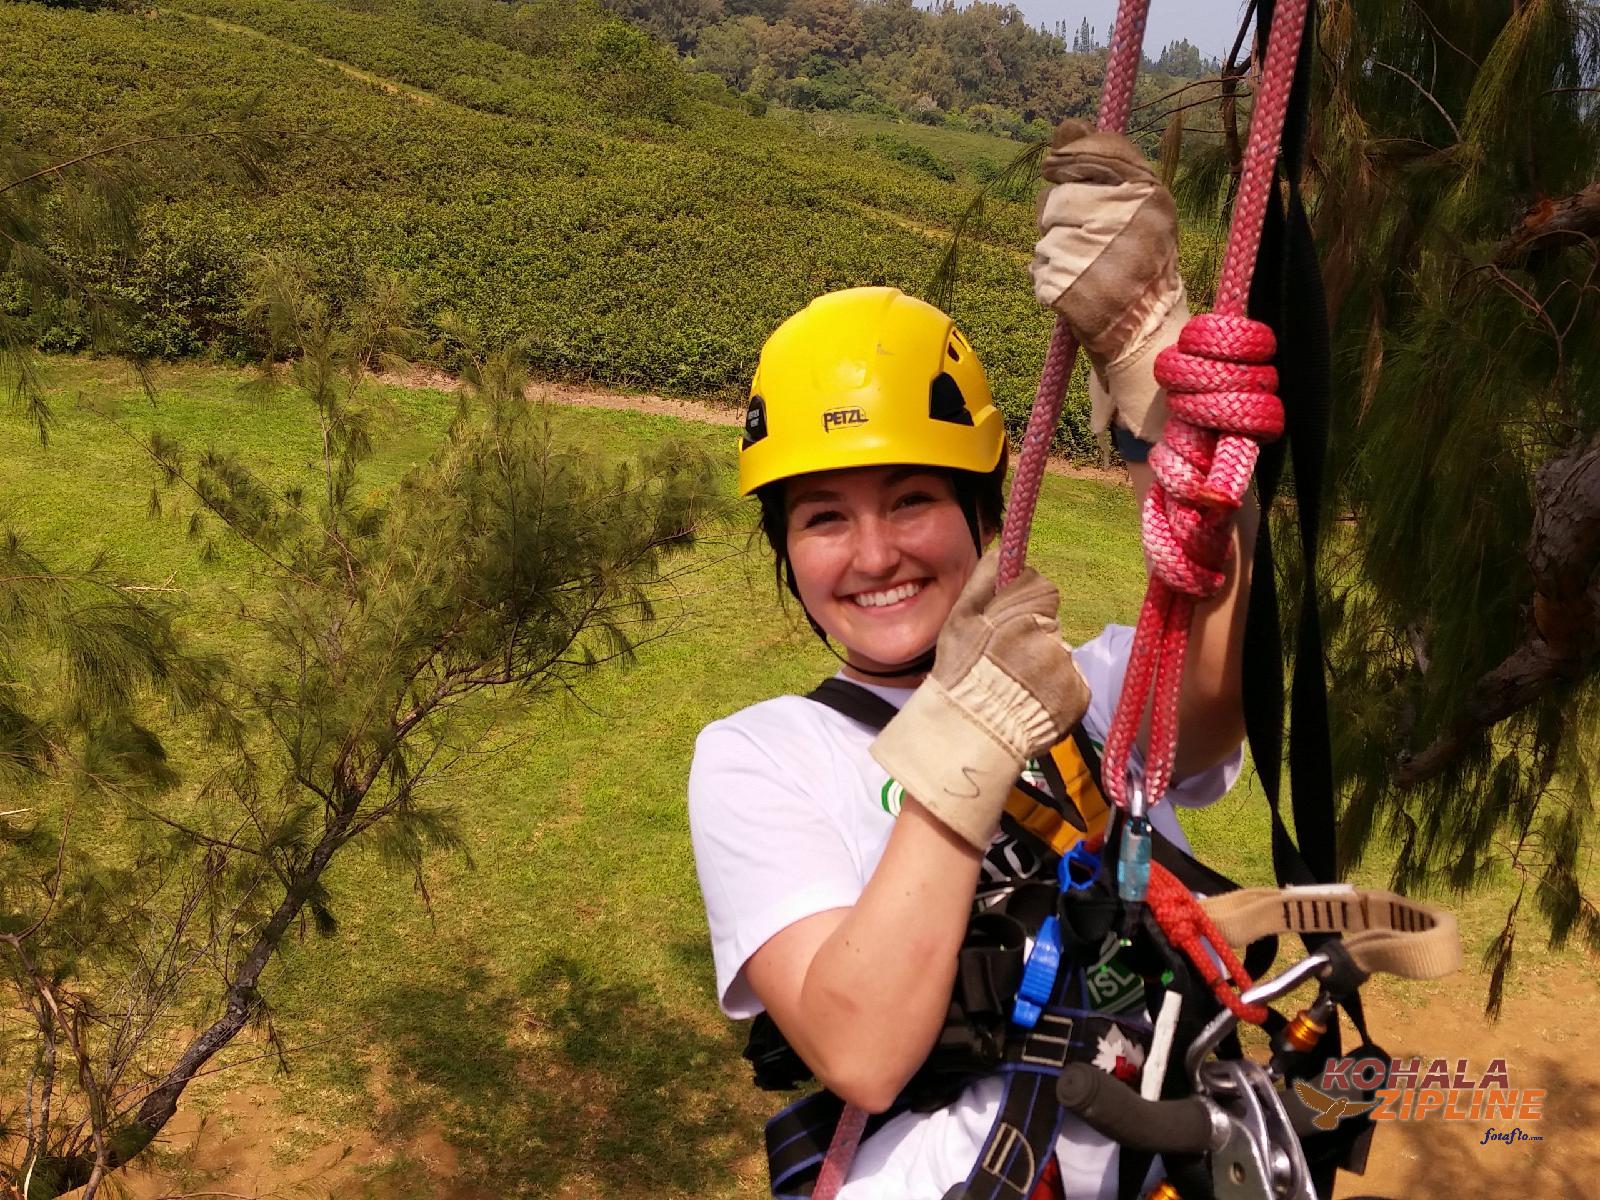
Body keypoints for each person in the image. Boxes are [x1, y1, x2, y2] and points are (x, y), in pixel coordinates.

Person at [689, 127, 1258, 1200]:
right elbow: (861, 1048)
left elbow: (1216, 696)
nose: (874, 556)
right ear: (786, 554)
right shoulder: (762, 758)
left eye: (912, 500)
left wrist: (1158, 379)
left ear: (981, 514)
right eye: (823, 518)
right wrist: (970, 729)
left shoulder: (1080, 690)